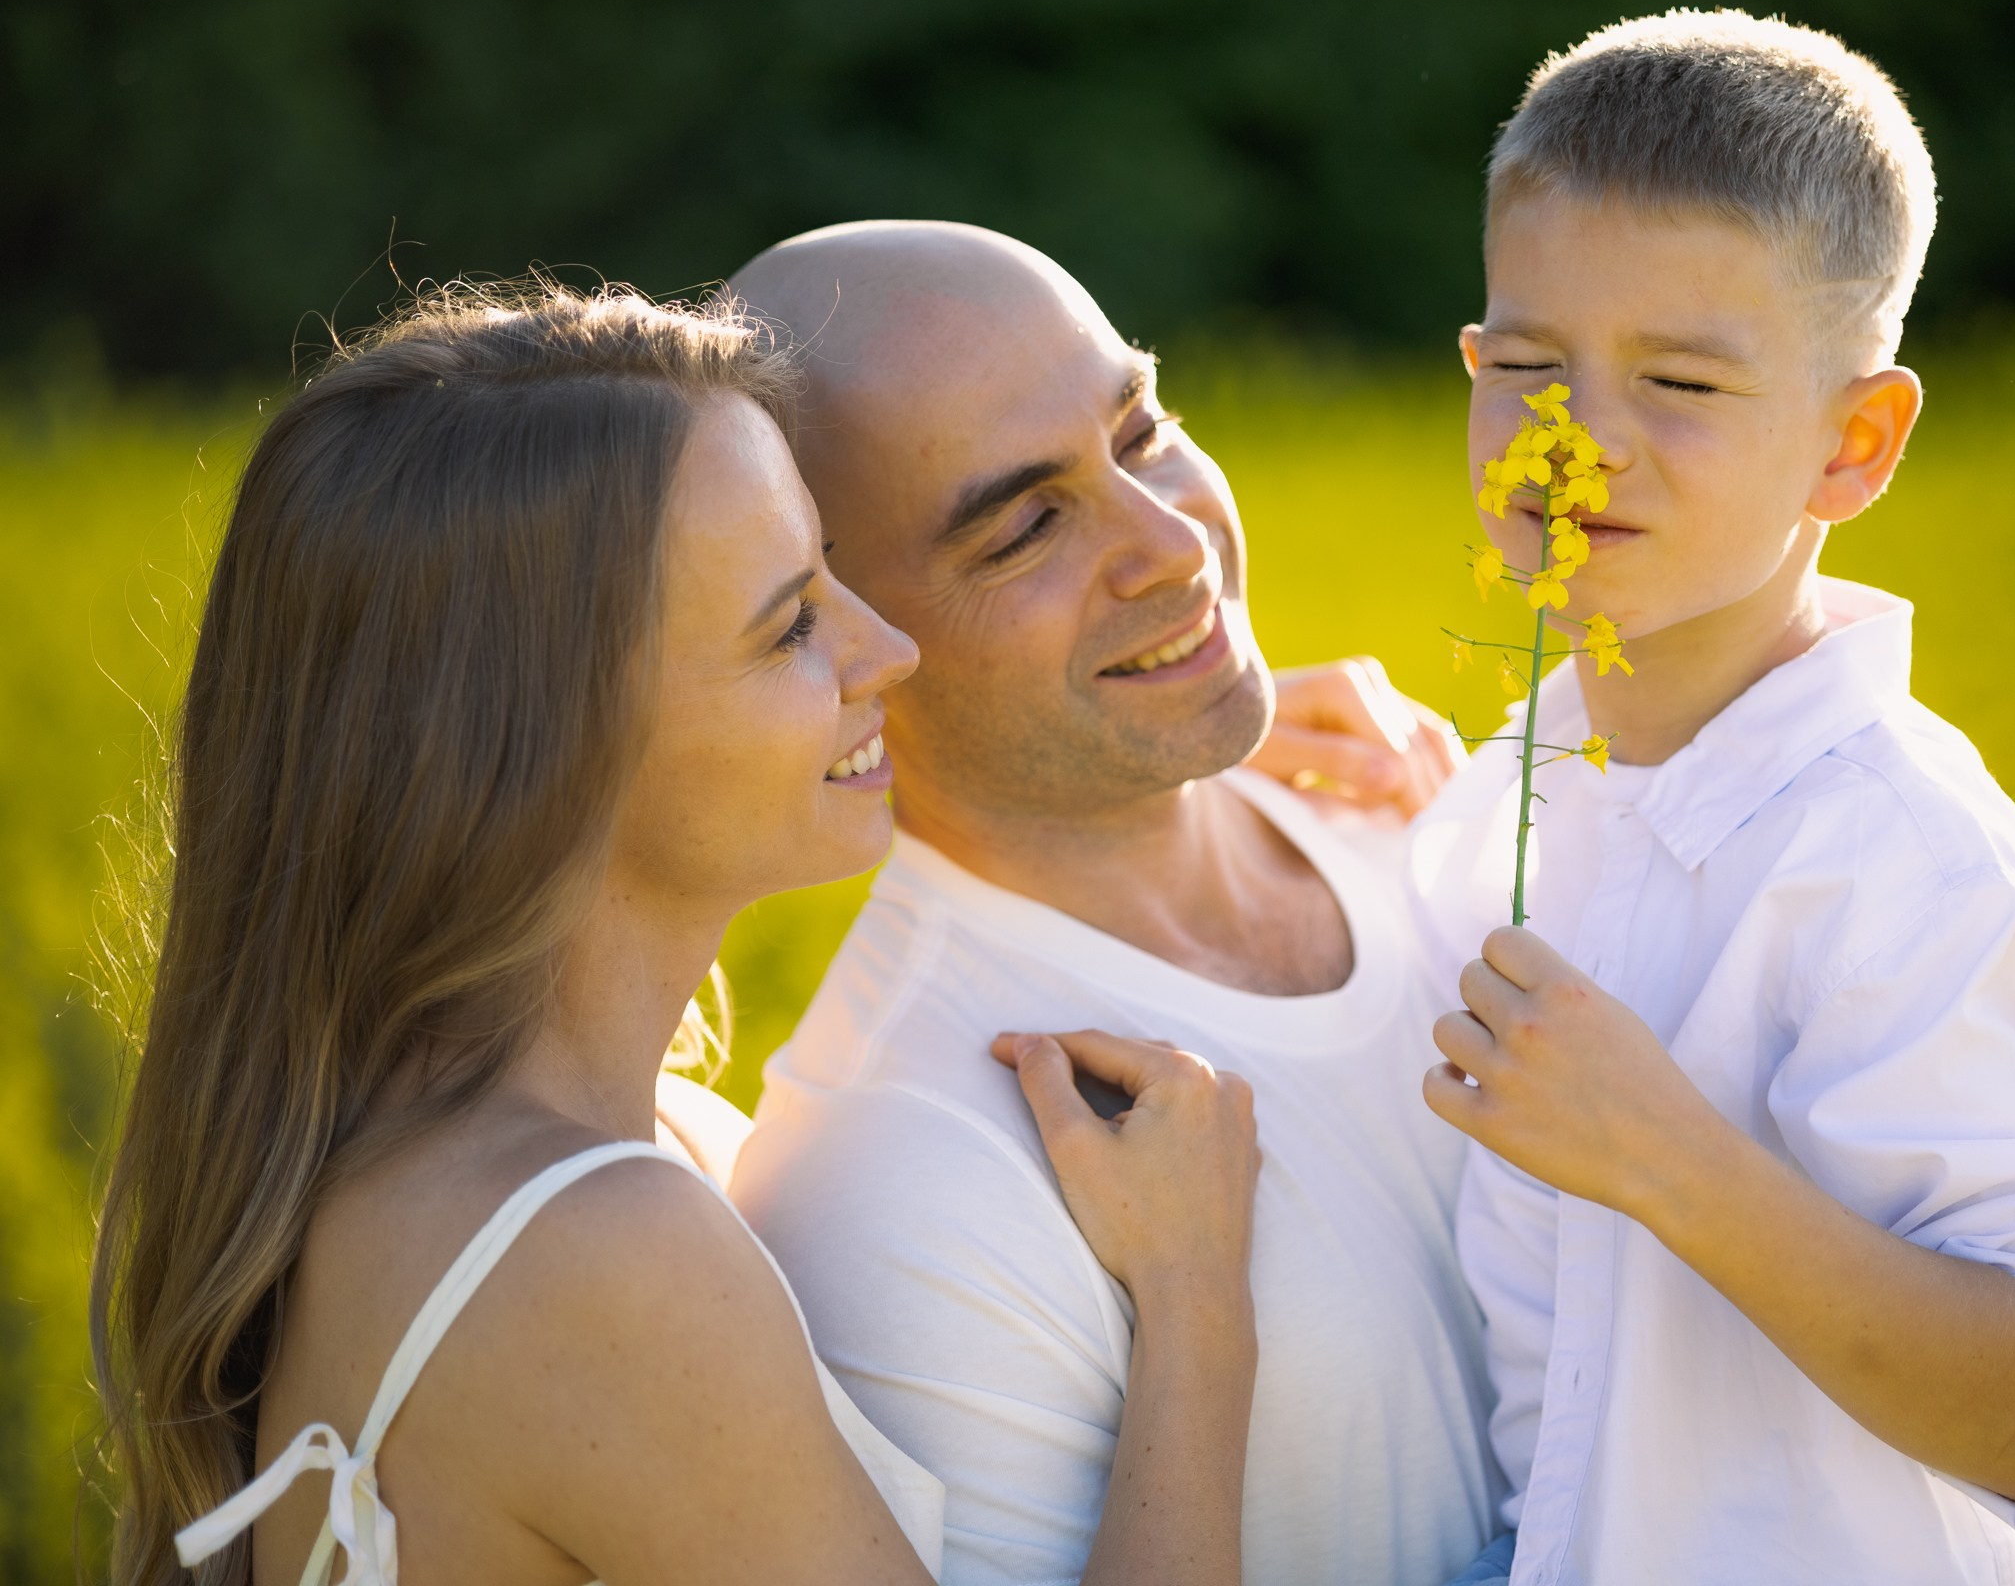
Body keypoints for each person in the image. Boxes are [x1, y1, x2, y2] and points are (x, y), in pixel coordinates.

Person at [90, 285, 1263, 1586]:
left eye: (834, 571)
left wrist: (1219, 784)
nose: (888, 648)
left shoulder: (543, 1160)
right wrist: (1197, 1299)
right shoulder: (603, 1252)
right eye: (792, 625)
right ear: (550, 760)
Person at [1410, 12, 2015, 1585]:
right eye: (1534, 366)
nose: (1582, 441)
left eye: (1681, 380)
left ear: (1854, 443)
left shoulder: (1910, 872)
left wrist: (1669, 1157)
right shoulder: (1500, 802)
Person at [725, 223, 1503, 1586]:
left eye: (1142, 432)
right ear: (843, 635)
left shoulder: (1413, 815)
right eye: (1027, 526)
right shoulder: (901, 1171)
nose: (1173, 542)